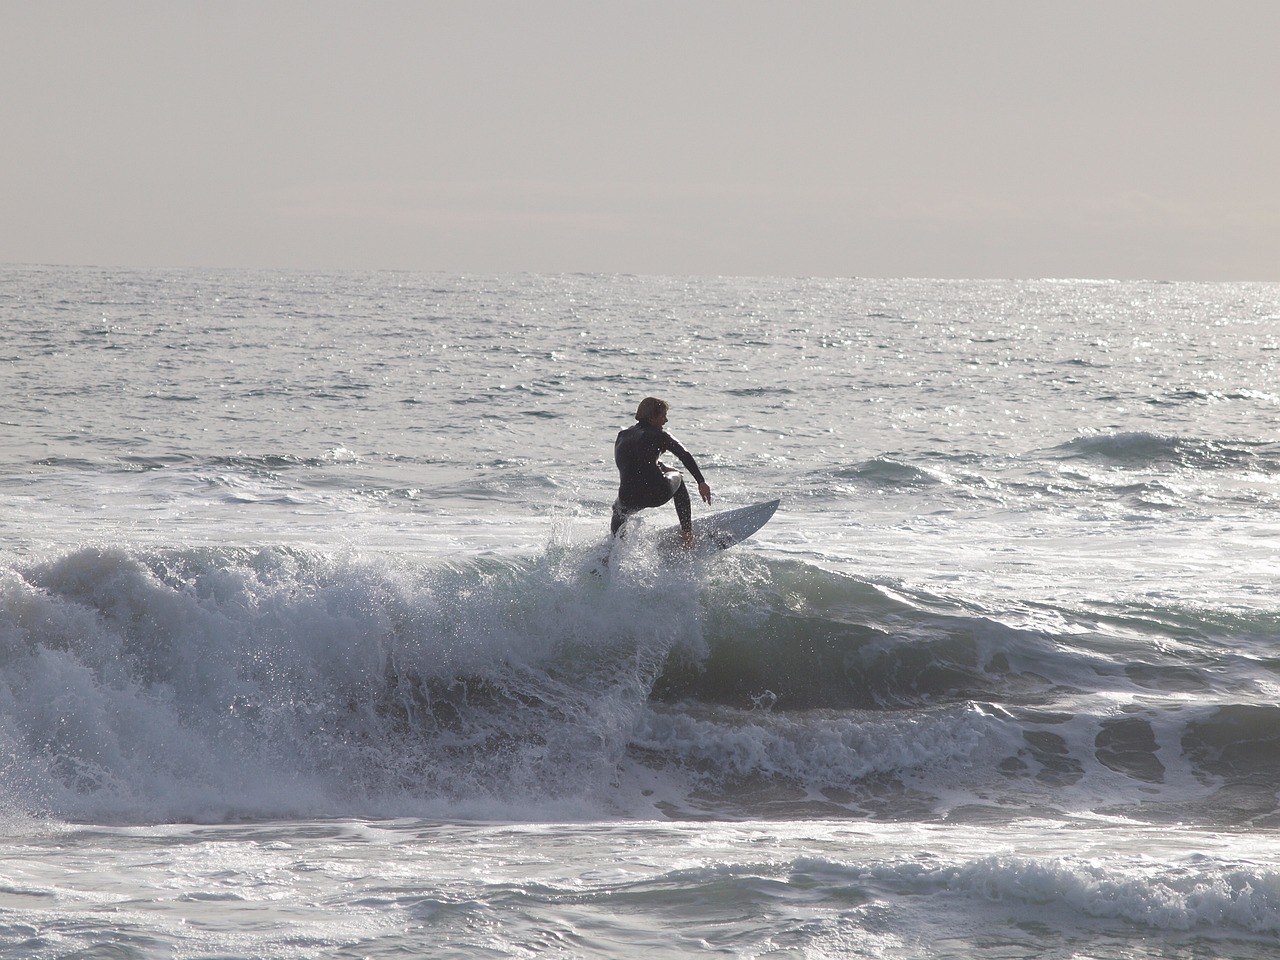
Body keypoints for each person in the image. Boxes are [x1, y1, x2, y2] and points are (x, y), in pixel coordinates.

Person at [611, 397, 712, 546]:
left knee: (618, 510)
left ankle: (615, 548)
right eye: (663, 416)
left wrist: (662, 467)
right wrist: (701, 482)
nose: (666, 421)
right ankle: (687, 535)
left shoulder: (622, 436)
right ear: (652, 417)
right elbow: (684, 454)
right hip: (655, 492)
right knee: (678, 477)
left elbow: (633, 462)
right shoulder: (659, 435)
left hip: (628, 497)